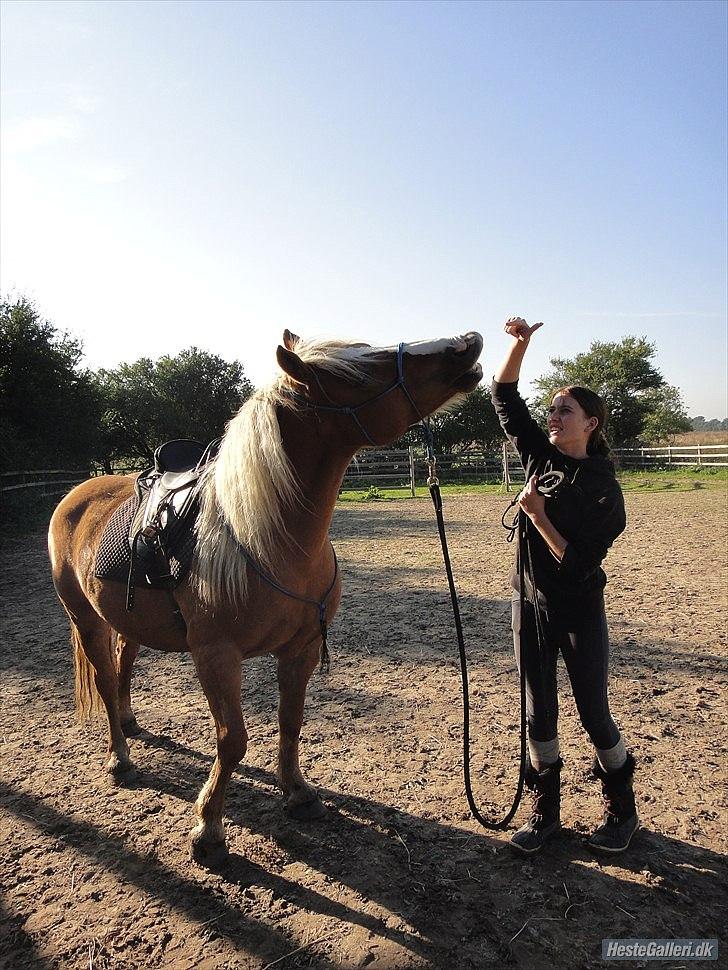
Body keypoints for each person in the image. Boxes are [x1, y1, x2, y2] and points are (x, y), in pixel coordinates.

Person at [491, 316, 638, 855]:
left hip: (578, 609)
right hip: (528, 606)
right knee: (539, 713)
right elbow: (504, 396)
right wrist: (519, 344)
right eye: (551, 409)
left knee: (594, 713)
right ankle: (546, 812)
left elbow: (579, 564)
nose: (553, 416)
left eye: (564, 410)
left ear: (591, 423)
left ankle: (623, 810)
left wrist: (538, 516)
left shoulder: (605, 491)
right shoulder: (540, 455)